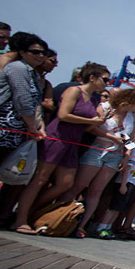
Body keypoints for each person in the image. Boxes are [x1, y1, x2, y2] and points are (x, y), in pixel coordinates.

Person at [12, 62, 112, 234]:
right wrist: (92, 121)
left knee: (65, 183)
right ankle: (19, 219)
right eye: (105, 79)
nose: (107, 83)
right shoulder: (74, 91)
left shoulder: (94, 99)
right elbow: (63, 115)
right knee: (40, 179)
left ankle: (33, 212)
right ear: (92, 77)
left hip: (74, 141)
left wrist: (102, 126)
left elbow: (88, 126)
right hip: (57, 136)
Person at [59, 88, 135, 237]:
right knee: (78, 186)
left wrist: (127, 155)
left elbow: (131, 139)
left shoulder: (132, 116)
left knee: (96, 191)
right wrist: (111, 137)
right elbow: (91, 128)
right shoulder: (105, 107)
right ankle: (58, 217)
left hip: (116, 154)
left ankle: (81, 226)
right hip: (98, 149)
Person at [93, 129, 135, 238]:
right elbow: (127, 168)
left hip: (133, 182)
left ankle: (108, 227)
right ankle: (101, 227)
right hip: (126, 182)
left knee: (119, 208)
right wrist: (123, 184)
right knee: (114, 207)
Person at [0, 33, 48, 165]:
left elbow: (36, 103)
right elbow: (22, 100)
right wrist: (32, 126)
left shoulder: (33, 74)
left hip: (15, 133)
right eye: (35, 52)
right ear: (22, 52)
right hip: (2, 128)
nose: (41, 56)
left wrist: (38, 126)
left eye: (43, 53)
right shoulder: (18, 68)